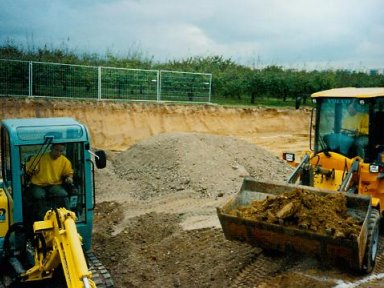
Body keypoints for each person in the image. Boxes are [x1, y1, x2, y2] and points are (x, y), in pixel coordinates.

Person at [26, 143, 74, 220]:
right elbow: (28, 170)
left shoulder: (65, 161)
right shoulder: (39, 158)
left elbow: (69, 173)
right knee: (39, 196)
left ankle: (68, 216)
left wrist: (69, 178)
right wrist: (32, 171)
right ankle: (42, 219)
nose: (58, 153)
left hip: (54, 185)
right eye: (56, 150)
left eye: (61, 151)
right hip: (38, 185)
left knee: (63, 194)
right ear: (51, 148)